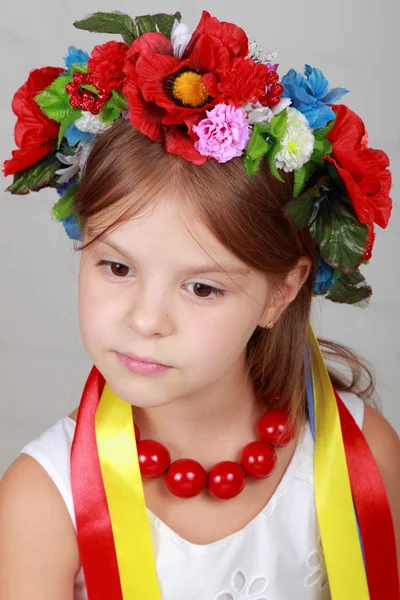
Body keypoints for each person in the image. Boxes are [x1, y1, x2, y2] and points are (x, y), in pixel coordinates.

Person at [0, 9, 399, 600]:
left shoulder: (360, 453)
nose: (146, 319)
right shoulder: (43, 498)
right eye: (117, 267)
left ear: (282, 293)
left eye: (202, 287)